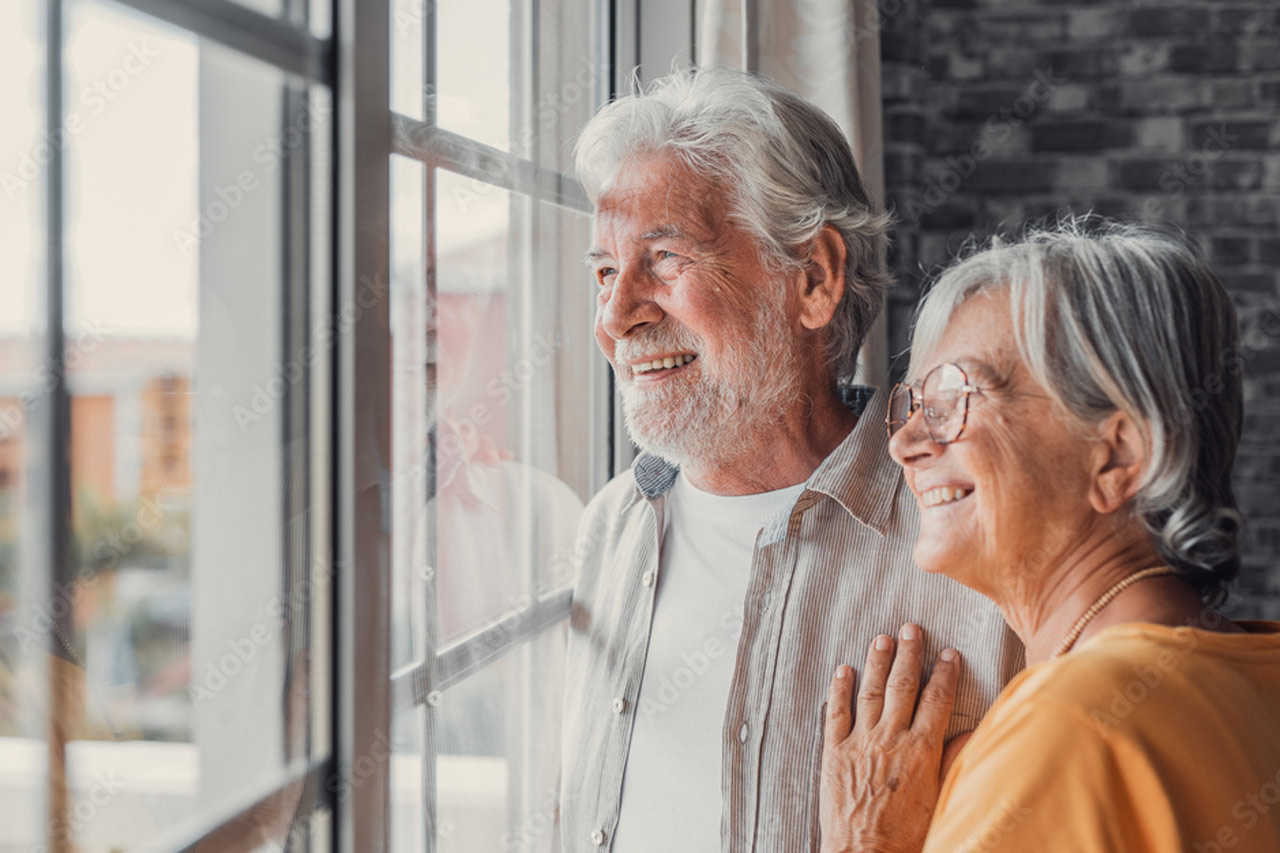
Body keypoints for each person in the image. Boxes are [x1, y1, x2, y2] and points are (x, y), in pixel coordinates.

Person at [557, 67, 1023, 853]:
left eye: (663, 258)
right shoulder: (610, 527)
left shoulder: (976, 537)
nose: (614, 316)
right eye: (605, 271)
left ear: (813, 278)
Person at [819, 219, 1280, 852]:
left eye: (955, 397)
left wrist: (863, 842)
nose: (904, 443)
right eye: (916, 402)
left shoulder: (1067, 729)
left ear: (1116, 456)